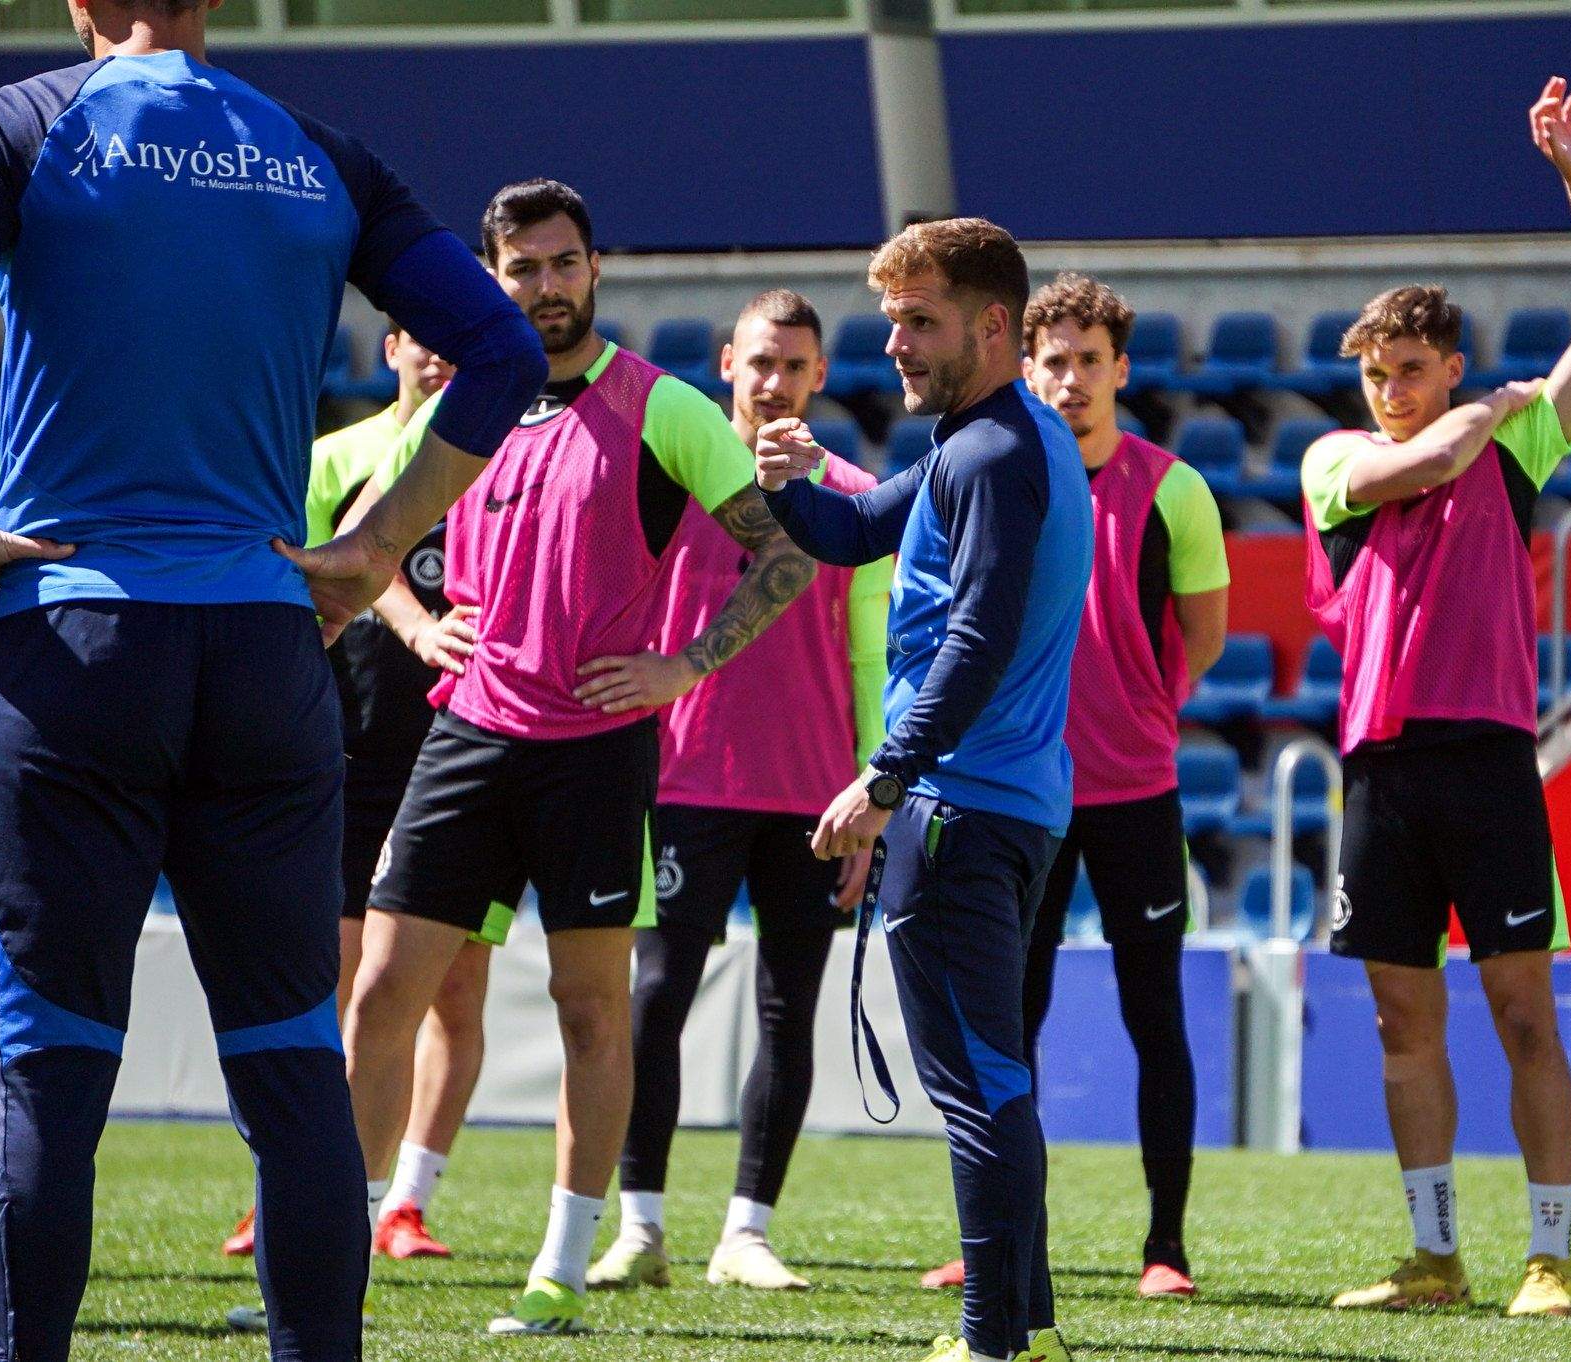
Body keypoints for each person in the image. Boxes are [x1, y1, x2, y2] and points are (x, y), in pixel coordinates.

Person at [0, 0, 545, 1355]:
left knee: (50, 1081)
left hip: (76, 649)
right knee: (293, 1080)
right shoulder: (318, 150)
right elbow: (504, 350)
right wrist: (375, 544)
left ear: (84, 2)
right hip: (268, 656)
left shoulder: (15, 125)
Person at [339, 178, 814, 1337]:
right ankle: (329, 1261)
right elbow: (367, 544)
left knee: (590, 1009)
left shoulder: (665, 409)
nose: (544, 287)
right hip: (466, 734)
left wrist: (684, 666)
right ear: (491, 278)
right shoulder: (466, 403)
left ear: (594, 268)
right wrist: (411, 624)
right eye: (521, 269)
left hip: (599, 754)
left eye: (562, 264)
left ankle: (558, 1268)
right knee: (379, 999)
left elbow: (785, 557)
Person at [1298, 77, 1571, 1318]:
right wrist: (1484, 415)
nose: (1387, 387)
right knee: (1402, 1021)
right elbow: (1422, 459)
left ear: (1446, 362)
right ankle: (1434, 1257)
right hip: (1378, 767)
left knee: (1519, 1013)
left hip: (1489, 759)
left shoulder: (1512, 443)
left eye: (1409, 368)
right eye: (1375, 372)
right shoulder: (1340, 459)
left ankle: (1545, 1256)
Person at [756, 216, 1092, 1362]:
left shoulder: (990, 453)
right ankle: (1027, 1330)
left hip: (956, 805)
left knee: (978, 1080)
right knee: (995, 1071)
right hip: (1006, 804)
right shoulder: (996, 440)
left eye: (921, 321)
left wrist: (885, 778)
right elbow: (854, 532)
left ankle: (989, 1338)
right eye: (892, 318)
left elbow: (978, 633)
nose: (894, 343)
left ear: (993, 325)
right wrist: (789, 484)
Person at [918, 272, 1227, 1301]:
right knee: (1007, 1021)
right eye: (1054, 361)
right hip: (1021, 791)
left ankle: (1165, 1248)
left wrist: (1142, 709)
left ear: (1119, 370)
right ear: (1030, 364)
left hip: (1135, 793)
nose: (1071, 378)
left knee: (1155, 1019)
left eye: (1089, 360)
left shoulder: (1173, 487)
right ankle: (1002, 1242)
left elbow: (1205, 634)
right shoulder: (1000, 469)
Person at [591, 289, 890, 1294]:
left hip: (812, 800)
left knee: (787, 1011)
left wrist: (868, 796)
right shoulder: (669, 478)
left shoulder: (854, 497)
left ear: (818, 377)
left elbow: (871, 657)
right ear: (727, 363)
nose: (774, 382)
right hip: (682, 779)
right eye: (760, 362)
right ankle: (639, 1227)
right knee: (656, 1000)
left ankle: (746, 1233)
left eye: (795, 366)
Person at [222, 322, 504, 1266]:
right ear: (387, 349)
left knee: (457, 996)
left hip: (469, 760)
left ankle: (406, 1203)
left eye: (455, 344)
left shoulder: (506, 452)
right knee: (341, 995)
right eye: (419, 342)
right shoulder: (334, 459)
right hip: (347, 761)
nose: (437, 358)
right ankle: (301, 1193)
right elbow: (281, 581)